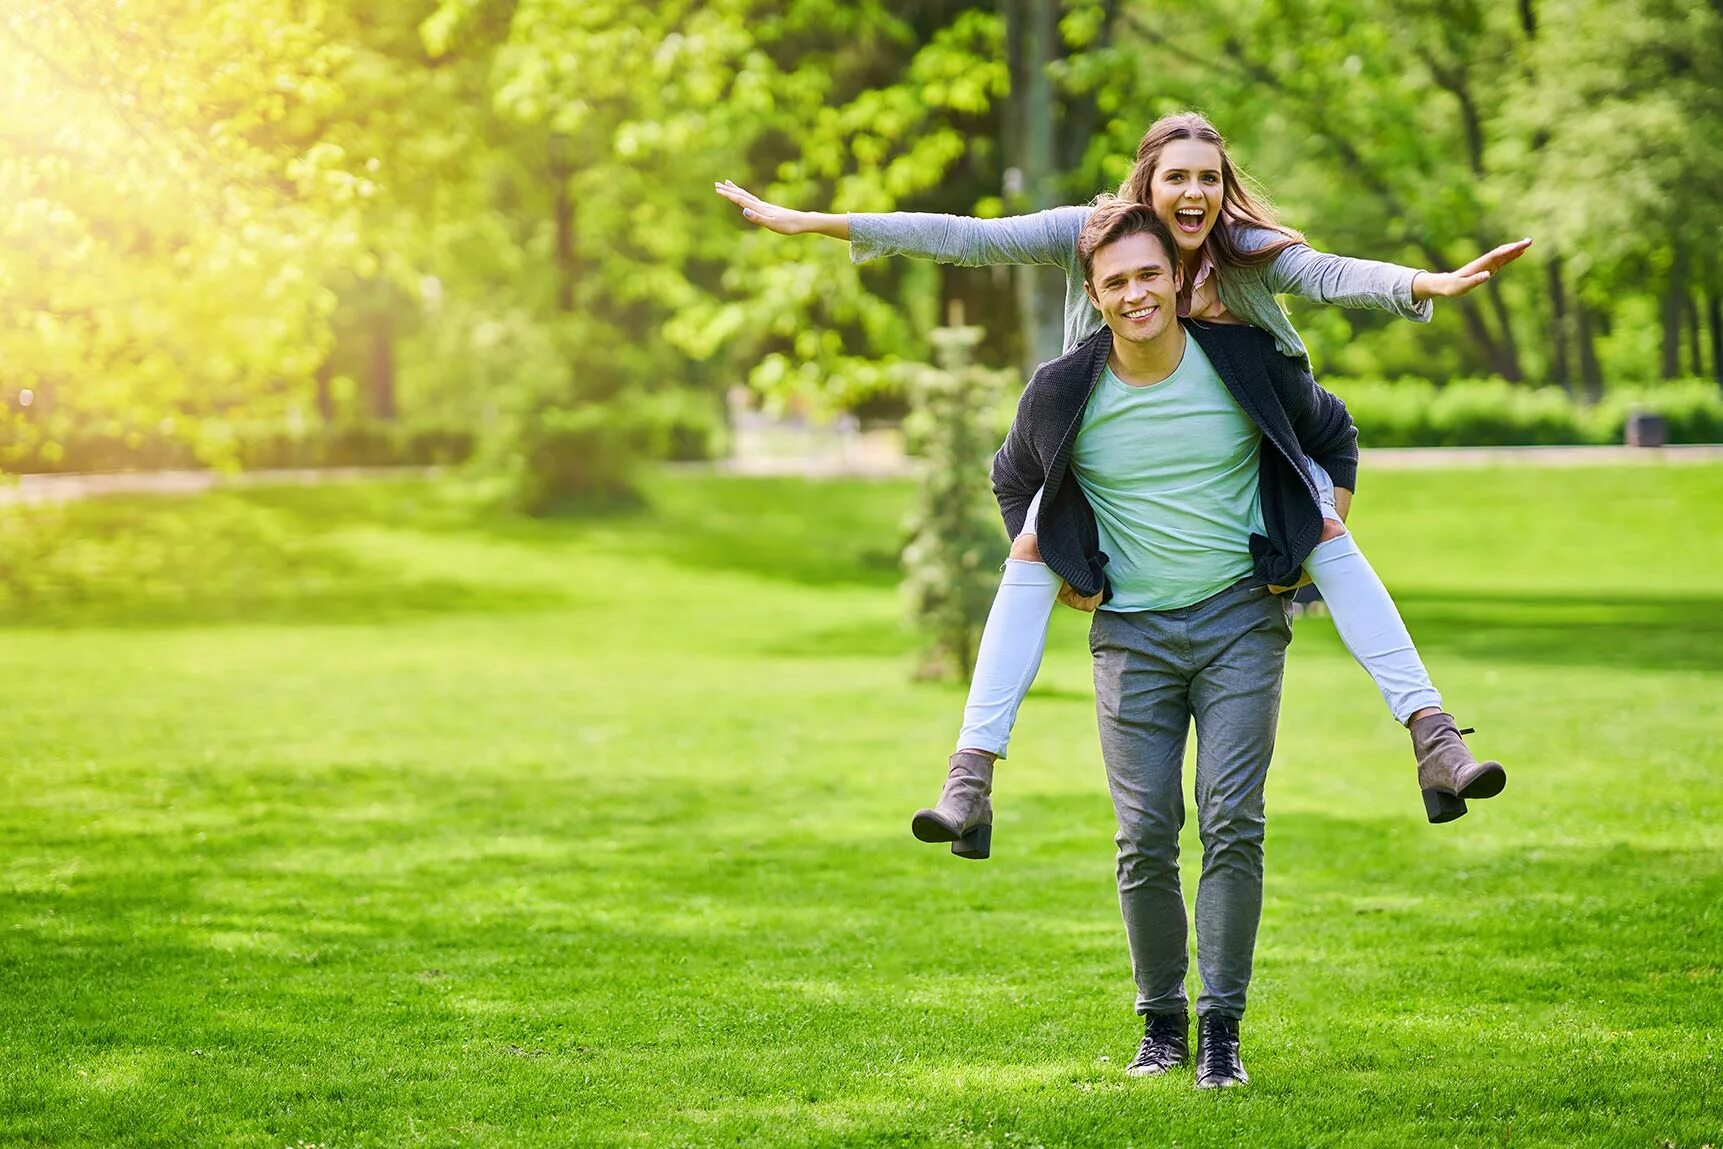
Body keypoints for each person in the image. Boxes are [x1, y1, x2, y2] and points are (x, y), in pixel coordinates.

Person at [716, 112, 1520, 850]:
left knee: (1331, 537)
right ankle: (968, 780)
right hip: (1104, 447)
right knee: (1029, 549)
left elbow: (1329, 275)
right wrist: (816, 223)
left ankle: (1434, 738)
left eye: (1209, 177)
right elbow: (965, 236)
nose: (1194, 191)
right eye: (1177, 176)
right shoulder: (1090, 237)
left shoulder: (1242, 251)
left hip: (1256, 450)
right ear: (1147, 182)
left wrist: (1424, 285)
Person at [1000, 199, 1355, 1085]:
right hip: (1130, 637)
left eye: (1147, 274)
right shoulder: (1062, 385)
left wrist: (1311, 549)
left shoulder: (1240, 360)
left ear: (1174, 276)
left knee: (1233, 821)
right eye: (1114, 281)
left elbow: (1333, 434)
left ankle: (1220, 1031)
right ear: (1093, 292)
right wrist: (1067, 563)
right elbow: (1012, 479)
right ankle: (1160, 1022)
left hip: (1240, 621)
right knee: (1144, 832)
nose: (1134, 294)